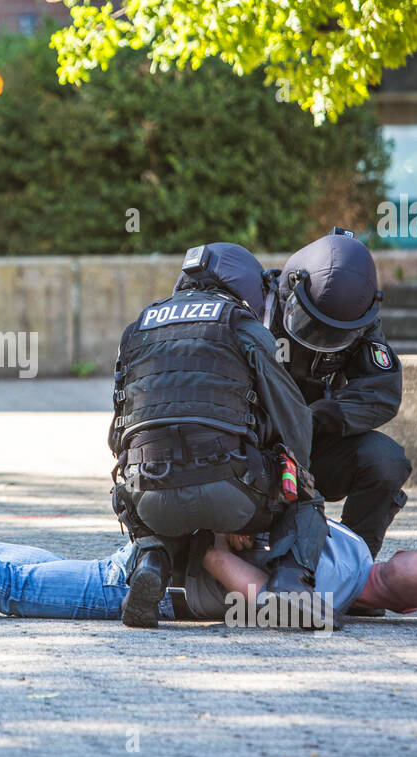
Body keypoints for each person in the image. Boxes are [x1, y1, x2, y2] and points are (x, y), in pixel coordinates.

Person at [107, 242, 316, 628]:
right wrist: (288, 474)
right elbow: (294, 421)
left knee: (134, 484)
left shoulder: (137, 328)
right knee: (304, 494)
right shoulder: (242, 325)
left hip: (150, 499)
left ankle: (151, 558)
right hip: (230, 489)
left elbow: (117, 436)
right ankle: (291, 590)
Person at [0, 523, 417, 625]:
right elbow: (239, 586)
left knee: (32, 568)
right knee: (12, 588)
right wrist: (222, 550)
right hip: (157, 588)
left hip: (148, 552)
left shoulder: (350, 539)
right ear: (402, 609)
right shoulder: (327, 605)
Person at [264, 229, 411, 567]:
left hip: (314, 441)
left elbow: (382, 391)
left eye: (334, 332)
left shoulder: (360, 319)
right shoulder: (258, 307)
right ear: (294, 290)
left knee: (386, 460)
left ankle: (351, 570)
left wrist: (318, 417)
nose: (322, 338)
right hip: (255, 447)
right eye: (315, 324)